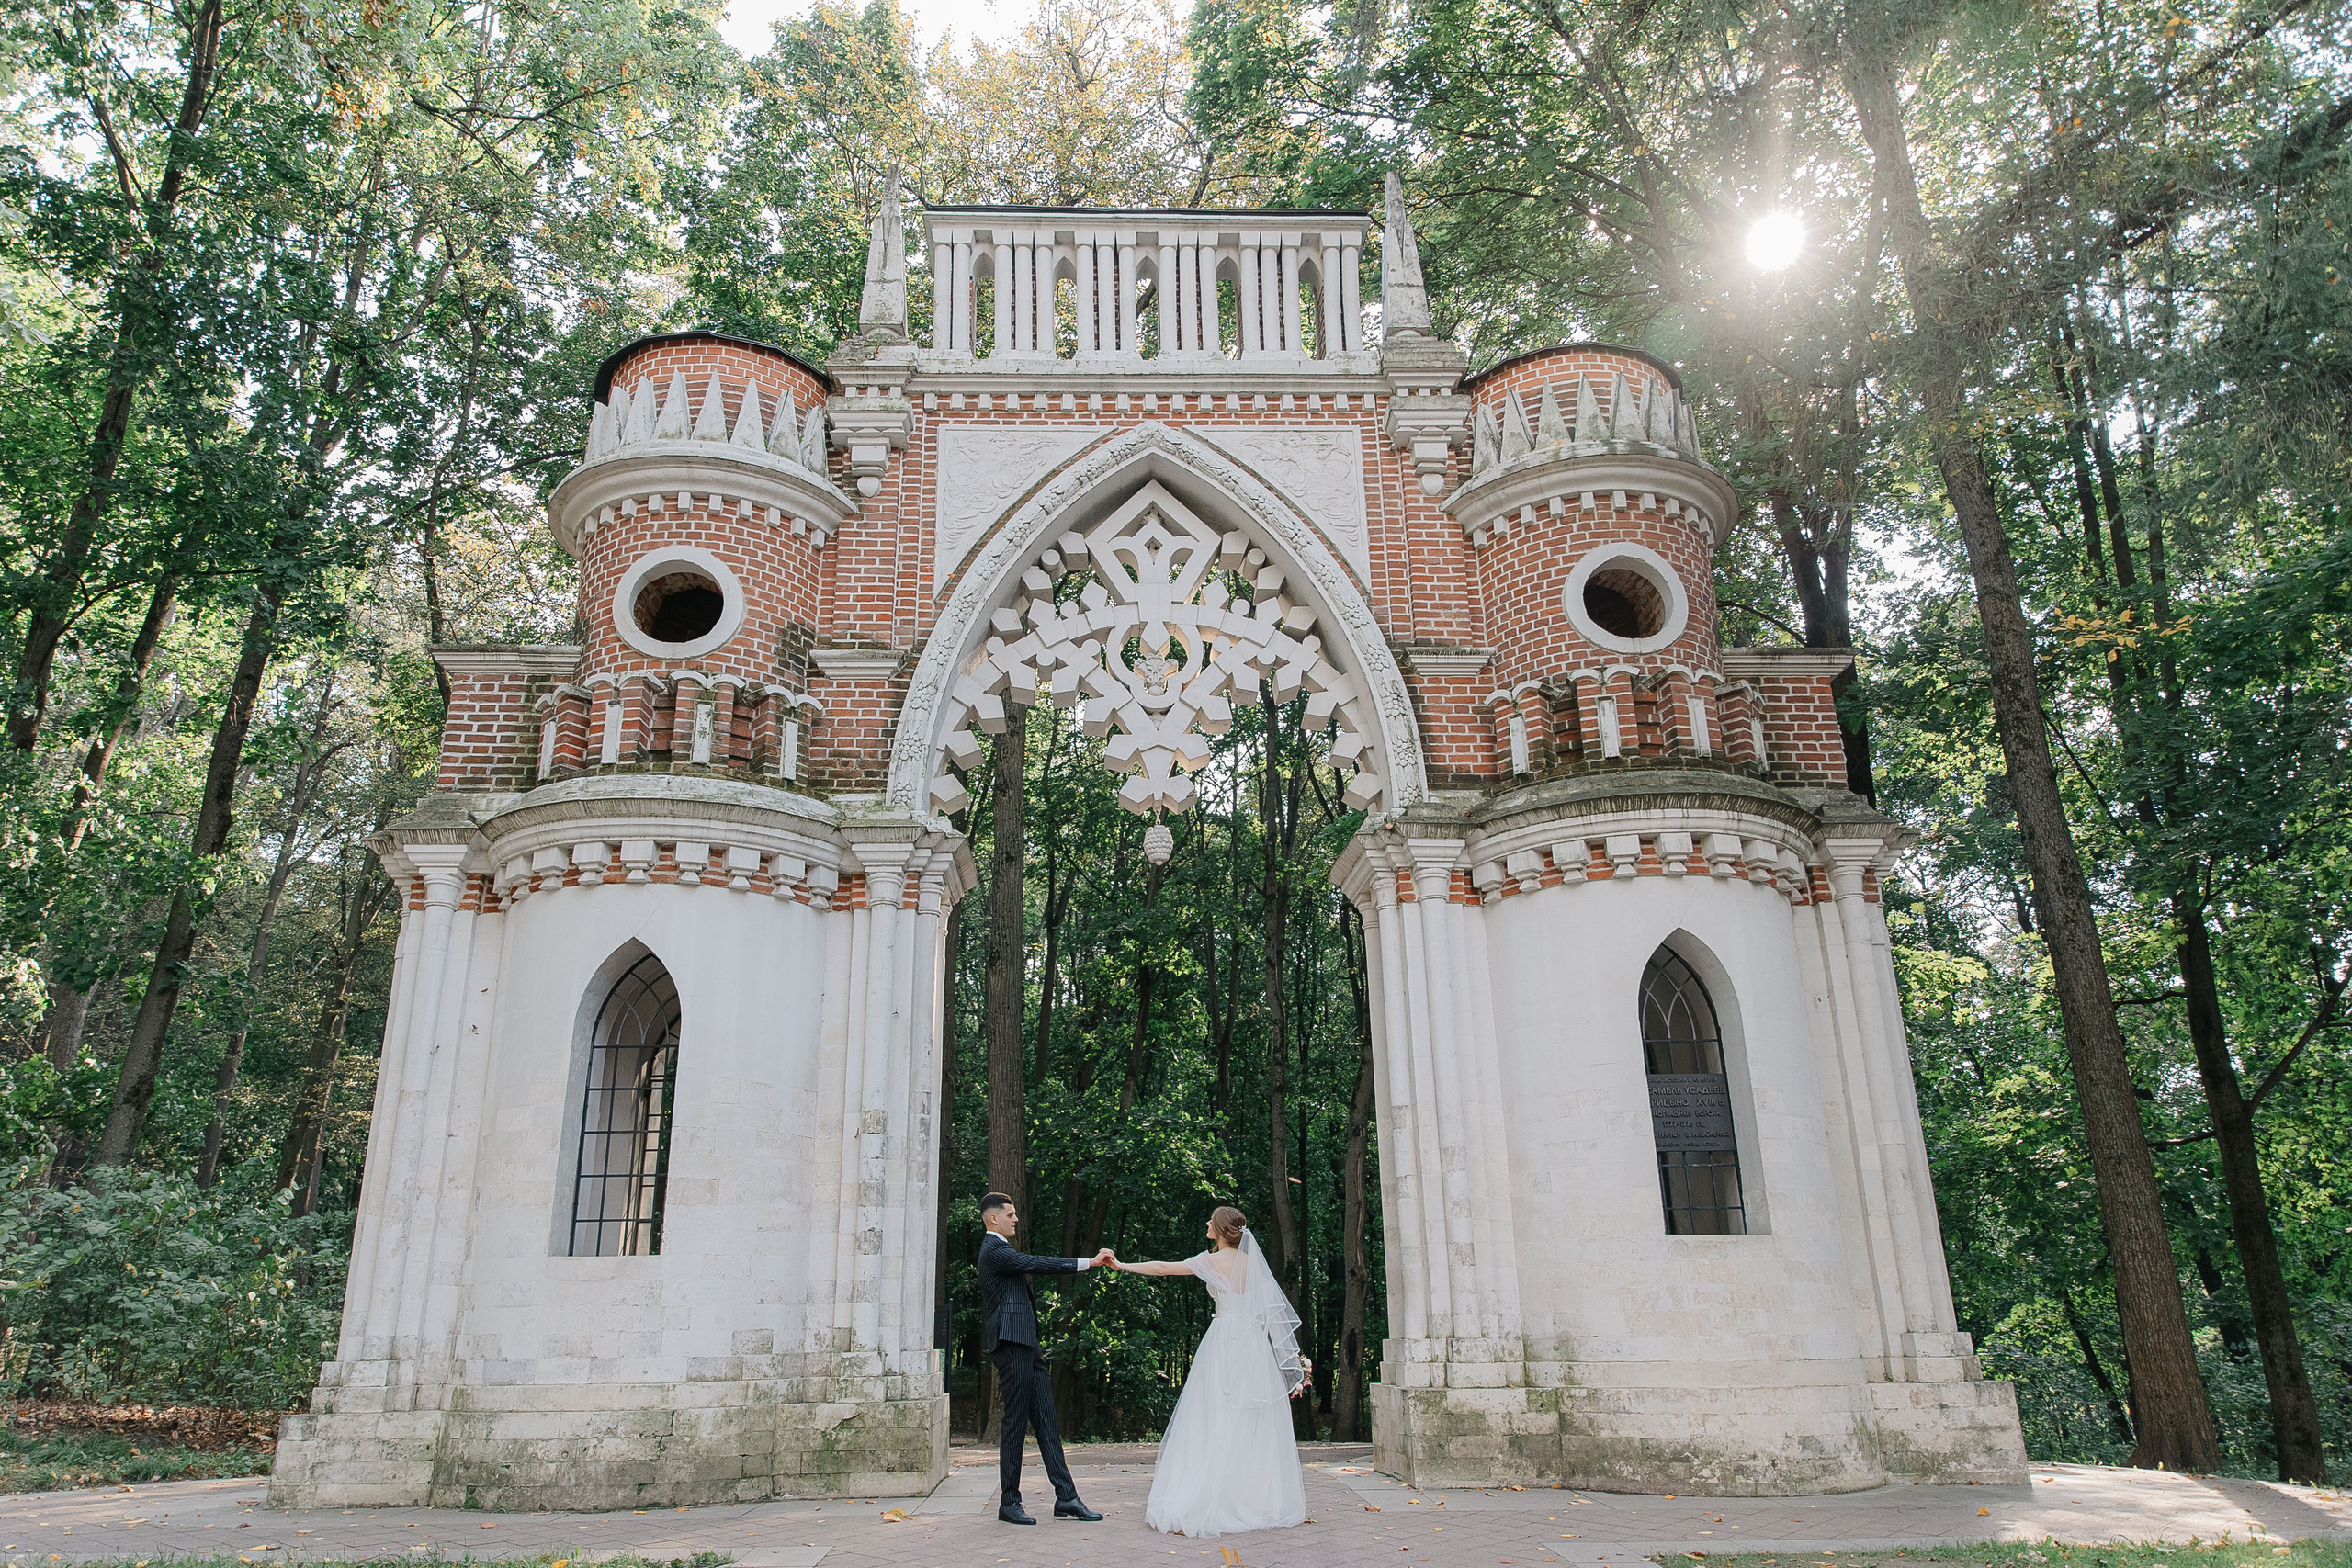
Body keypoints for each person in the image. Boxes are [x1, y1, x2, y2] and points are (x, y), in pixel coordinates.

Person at [1104, 1206, 1309, 1538]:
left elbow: (1162, 1269)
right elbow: (1271, 1315)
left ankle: (1214, 1496)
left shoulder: (1213, 1261)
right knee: (1249, 1419)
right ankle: (1252, 1498)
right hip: (1253, 1345)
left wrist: (1122, 1264)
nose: (1206, 1224)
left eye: (1211, 1221)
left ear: (1222, 1230)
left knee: (1213, 1414)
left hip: (1225, 1341)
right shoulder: (1254, 1264)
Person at [977, 1192, 1110, 1526]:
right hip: (1011, 1343)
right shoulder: (994, 1249)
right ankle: (1009, 1502)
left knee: (1048, 1423)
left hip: (1027, 1343)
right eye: (1010, 1214)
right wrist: (1088, 1263)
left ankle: (1066, 1498)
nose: (1016, 1219)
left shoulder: (1001, 1248)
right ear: (993, 1218)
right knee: (1016, 1423)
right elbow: (1035, 1263)